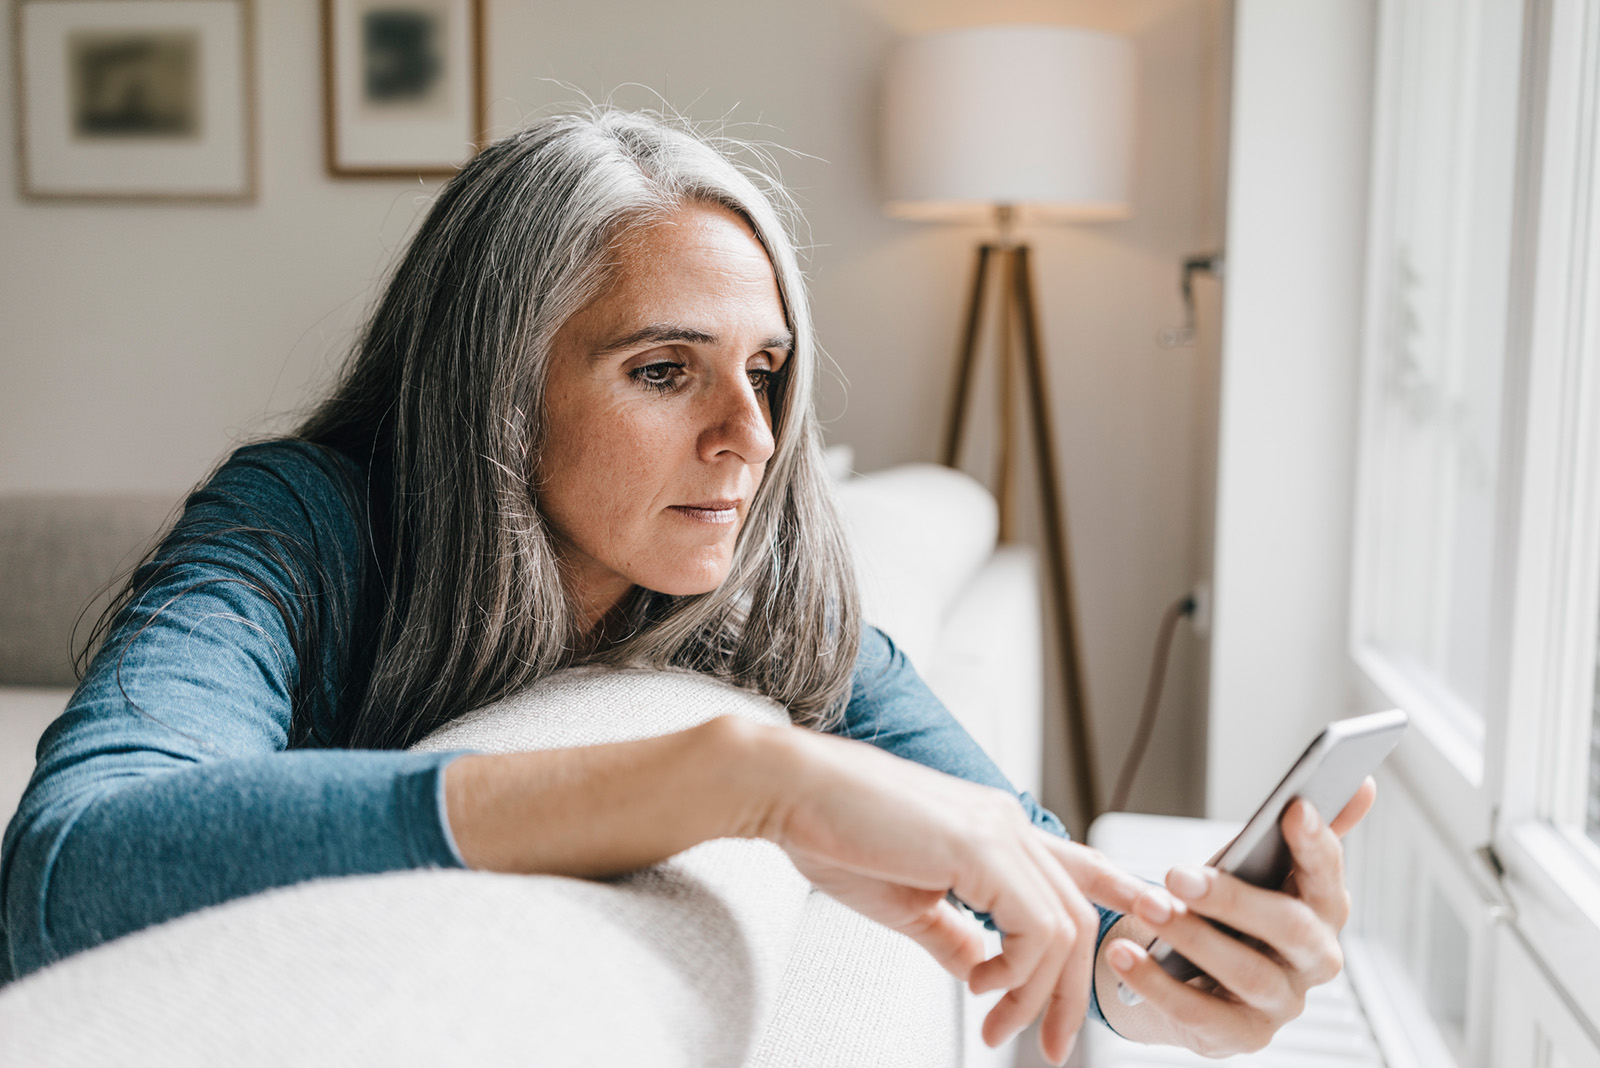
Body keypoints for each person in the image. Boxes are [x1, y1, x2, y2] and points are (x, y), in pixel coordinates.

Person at [0, 110, 1373, 1065]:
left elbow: (1032, 871)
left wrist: (1176, 987)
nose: (754, 437)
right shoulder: (299, 522)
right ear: (495, 384)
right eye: (666, 370)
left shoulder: (772, 592)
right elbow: (74, 861)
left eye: (766, 371)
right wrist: (732, 775)